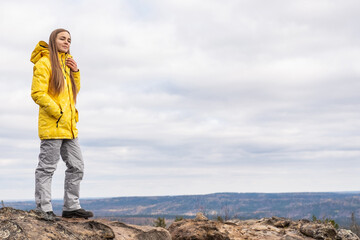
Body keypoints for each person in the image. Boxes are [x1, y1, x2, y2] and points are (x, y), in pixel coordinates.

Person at [30, 28, 93, 220]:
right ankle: (44, 209)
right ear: (53, 40)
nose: (67, 42)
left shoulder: (66, 65)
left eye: (69, 40)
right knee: (47, 168)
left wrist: (75, 72)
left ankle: (71, 207)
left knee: (77, 166)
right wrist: (57, 111)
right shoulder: (44, 62)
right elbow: (37, 93)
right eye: (62, 39)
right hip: (53, 125)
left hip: (69, 127)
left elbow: (73, 93)